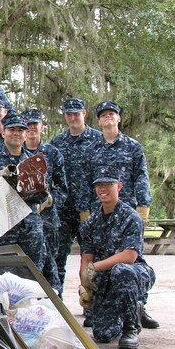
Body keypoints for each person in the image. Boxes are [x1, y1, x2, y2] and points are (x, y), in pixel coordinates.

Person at [79, 100, 158, 329]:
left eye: (112, 114)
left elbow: (141, 176)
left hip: (127, 209)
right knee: (101, 257)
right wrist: (85, 211)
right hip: (99, 210)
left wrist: (143, 207)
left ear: (118, 118)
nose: (108, 118)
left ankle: (138, 305)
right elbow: (84, 182)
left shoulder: (133, 146)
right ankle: (94, 304)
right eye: (103, 115)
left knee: (130, 261)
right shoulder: (91, 149)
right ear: (99, 120)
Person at [78, 167, 156, 349]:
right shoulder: (91, 222)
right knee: (103, 335)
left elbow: (129, 256)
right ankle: (133, 308)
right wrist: (85, 284)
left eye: (108, 184)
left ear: (119, 186)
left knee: (121, 270)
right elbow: (86, 257)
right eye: (99, 185)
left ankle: (131, 328)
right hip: (106, 276)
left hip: (135, 272)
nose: (103, 189)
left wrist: (94, 268)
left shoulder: (131, 217)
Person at [0, 112, 46, 269]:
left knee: (33, 269)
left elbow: (41, 193)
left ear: (26, 134)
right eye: (12, 129)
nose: (16, 134)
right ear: (3, 132)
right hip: (3, 219)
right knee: (0, 268)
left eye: (20, 130)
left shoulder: (32, 161)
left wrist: (40, 191)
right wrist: (9, 175)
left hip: (29, 222)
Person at [49, 98, 101, 288]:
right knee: (57, 257)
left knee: (91, 258)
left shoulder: (98, 140)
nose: (72, 117)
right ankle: (56, 301)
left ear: (84, 113)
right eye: (68, 114)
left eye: (76, 114)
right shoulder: (57, 143)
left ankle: (91, 303)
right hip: (63, 210)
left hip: (90, 210)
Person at [22, 108, 68, 295]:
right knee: (28, 264)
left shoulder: (53, 153)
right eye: (28, 125)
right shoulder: (16, 151)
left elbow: (63, 189)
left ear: (42, 126)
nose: (32, 128)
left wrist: (50, 200)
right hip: (23, 218)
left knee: (52, 262)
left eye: (35, 124)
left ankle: (56, 304)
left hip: (48, 218)